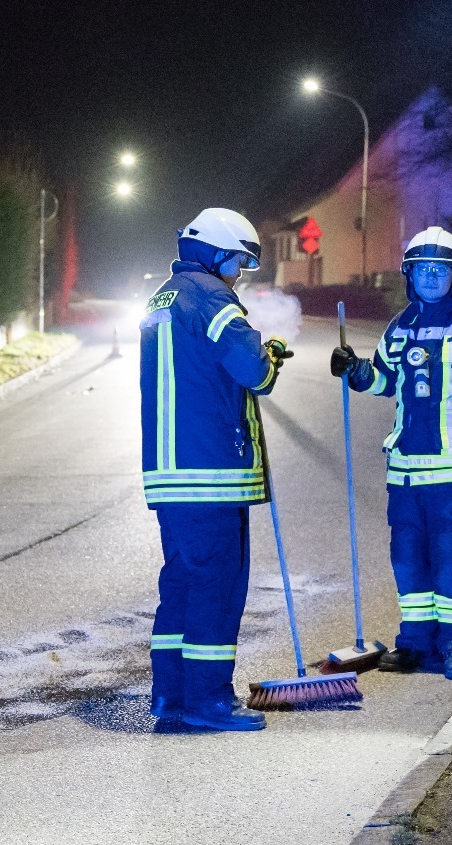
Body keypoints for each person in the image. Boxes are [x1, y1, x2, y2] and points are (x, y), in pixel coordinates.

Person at [141, 207, 290, 731]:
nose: (239, 273)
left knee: (181, 584)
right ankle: (208, 701)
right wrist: (270, 353)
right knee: (216, 588)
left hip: (169, 473)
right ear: (217, 253)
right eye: (237, 262)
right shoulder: (212, 298)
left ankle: (170, 695)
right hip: (211, 472)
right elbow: (253, 371)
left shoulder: (163, 297)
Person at [330, 228, 452, 680]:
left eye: (440, 269)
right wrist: (355, 371)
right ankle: (416, 641)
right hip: (405, 472)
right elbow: (385, 380)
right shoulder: (400, 326)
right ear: (408, 274)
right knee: (407, 560)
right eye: (421, 269)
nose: (430, 277)